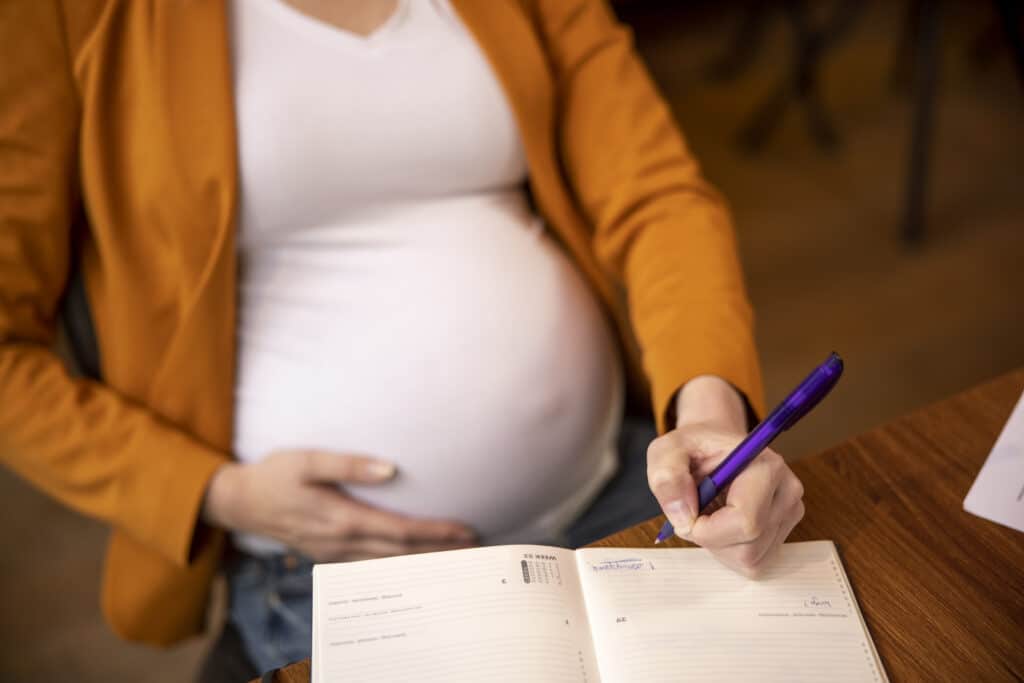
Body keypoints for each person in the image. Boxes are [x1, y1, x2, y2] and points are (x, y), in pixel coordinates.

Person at [0, 0, 805, 679]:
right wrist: (212, 489)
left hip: (620, 495)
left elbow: (656, 192)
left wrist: (707, 405)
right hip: (330, 576)